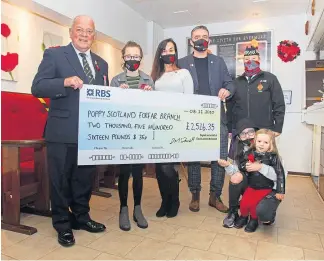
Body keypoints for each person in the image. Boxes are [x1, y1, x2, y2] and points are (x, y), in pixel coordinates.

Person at [31, 15, 107, 247]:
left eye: (89, 31)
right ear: (71, 31)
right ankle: (63, 224)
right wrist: (63, 82)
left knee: (84, 179)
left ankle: (82, 217)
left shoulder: (101, 63)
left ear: (94, 35)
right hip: (61, 131)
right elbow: (37, 86)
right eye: (80, 30)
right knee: (60, 180)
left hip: (90, 132)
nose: (84, 35)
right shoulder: (54, 55)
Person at [178, 25, 235, 213]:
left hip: (216, 116)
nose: (201, 39)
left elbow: (229, 83)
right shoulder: (182, 62)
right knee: (193, 156)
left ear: (209, 40)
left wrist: (227, 90)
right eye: (197, 36)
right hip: (192, 117)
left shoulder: (218, 62)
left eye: (204, 36)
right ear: (191, 41)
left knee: (219, 157)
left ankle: (215, 196)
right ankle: (195, 194)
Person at [110, 41, 154, 231]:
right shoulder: (116, 80)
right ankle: (123, 209)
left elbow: (155, 108)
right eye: (129, 56)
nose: (133, 60)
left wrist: (151, 96)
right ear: (123, 58)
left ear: (141, 59)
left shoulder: (148, 80)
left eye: (136, 56)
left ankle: (137, 208)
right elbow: (109, 108)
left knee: (138, 172)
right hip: (123, 134)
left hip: (141, 134)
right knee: (124, 172)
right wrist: (118, 96)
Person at [151, 38, 194, 218]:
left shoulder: (184, 73)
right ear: (160, 54)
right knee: (160, 168)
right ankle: (164, 201)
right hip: (158, 127)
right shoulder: (155, 76)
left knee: (169, 167)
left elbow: (189, 100)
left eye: (172, 49)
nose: (169, 53)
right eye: (165, 50)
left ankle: (173, 201)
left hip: (176, 126)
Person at [219, 118, 283, 229]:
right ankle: (234, 213)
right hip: (252, 185)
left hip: (268, 188)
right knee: (238, 181)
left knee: (263, 213)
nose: (247, 136)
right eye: (243, 133)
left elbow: (281, 175)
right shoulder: (240, 151)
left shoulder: (272, 154)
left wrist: (260, 167)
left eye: (250, 132)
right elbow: (237, 171)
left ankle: (266, 214)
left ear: (256, 132)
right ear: (238, 137)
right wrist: (228, 166)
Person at [226, 39, 285, 139]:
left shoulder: (270, 78)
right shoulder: (236, 82)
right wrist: (230, 129)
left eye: (254, 58)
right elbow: (230, 108)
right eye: (247, 59)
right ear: (243, 61)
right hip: (242, 131)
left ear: (259, 59)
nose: (250, 61)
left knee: (263, 155)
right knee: (241, 155)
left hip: (264, 130)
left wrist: (278, 127)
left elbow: (279, 104)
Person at [233, 129, 285, 232]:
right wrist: (245, 166)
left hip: (265, 188)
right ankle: (243, 217)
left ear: (271, 145)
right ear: (255, 141)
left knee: (253, 205)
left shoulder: (273, 157)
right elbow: (241, 164)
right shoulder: (250, 153)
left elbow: (280, 174)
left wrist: (280, 190)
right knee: (244, 202)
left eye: (266, 142)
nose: (261, 144)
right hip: (252, 186)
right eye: (259, 141)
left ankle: (254, 220)